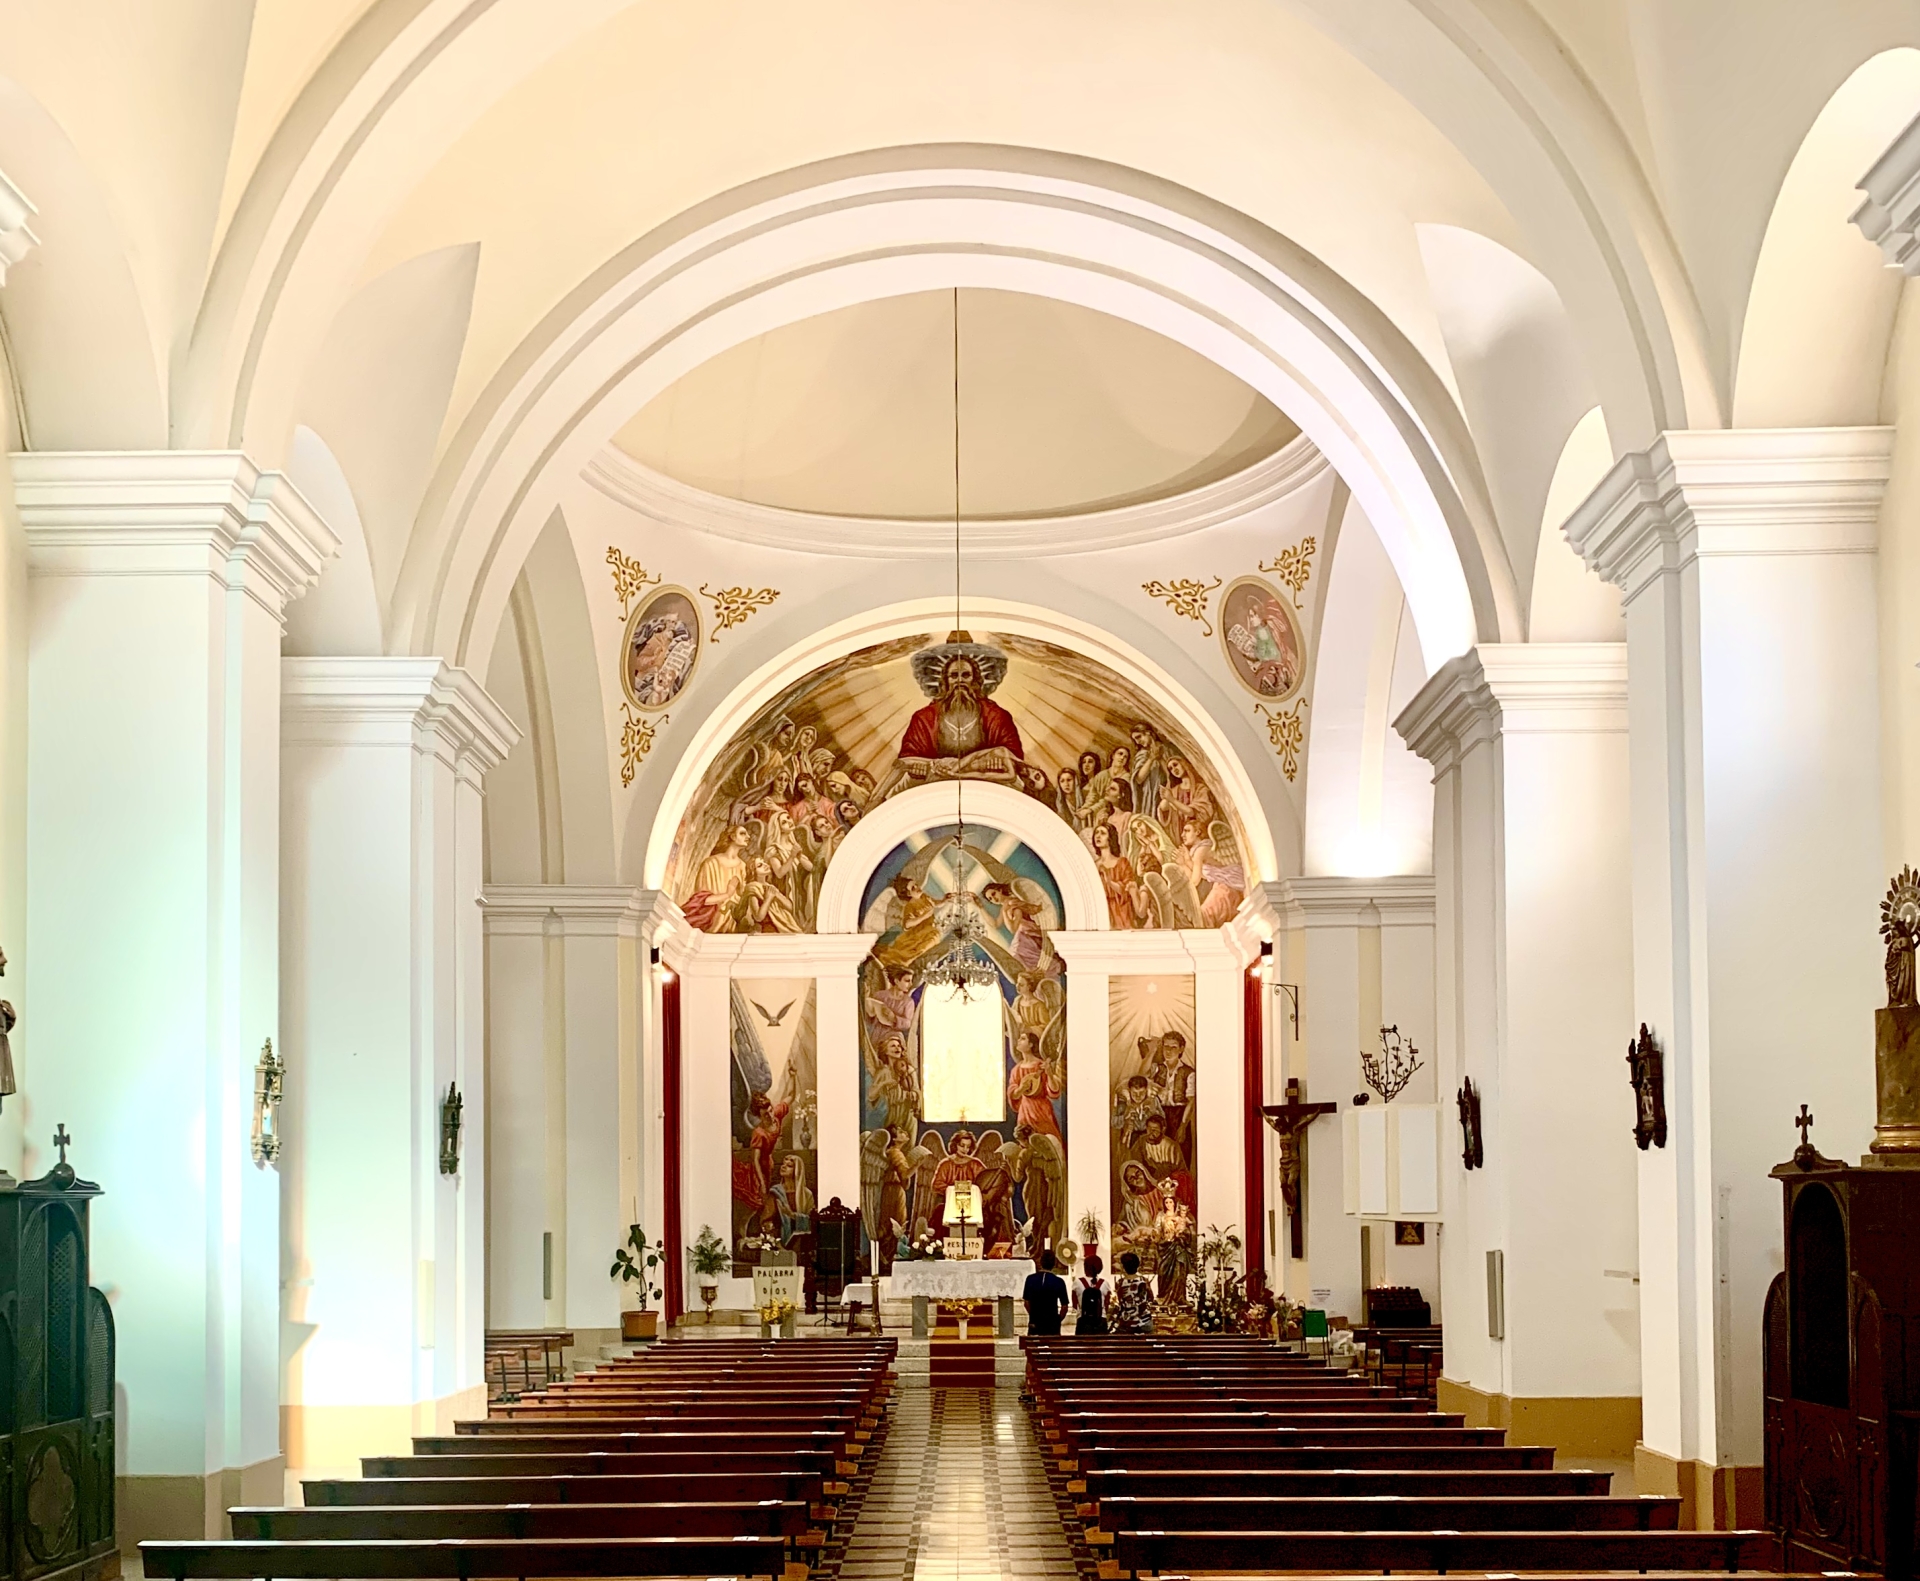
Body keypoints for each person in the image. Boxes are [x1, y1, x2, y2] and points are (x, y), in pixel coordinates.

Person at [1023, 1249, 1070, 1336]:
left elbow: (1026, 1303)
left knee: (1033, 1348)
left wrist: (1034, 1315)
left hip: (1035, 1321)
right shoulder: (1059, 1282)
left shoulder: (1030, 1279)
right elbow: (1065, 1306)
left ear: (1040, 1262)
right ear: (1054, 1263)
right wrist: (1057, 1320)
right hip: (1052, 1323)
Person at [1111, 1250, 1155, 1335]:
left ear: (1123, 1267)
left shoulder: (1120, 1283)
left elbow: (1121, 1301)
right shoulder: (1144, 1281)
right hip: (1144, 1320)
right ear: (1137, 1266)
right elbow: (1151, 1298)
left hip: (1127, 1321)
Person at [1074, 1252, 1109, 1335]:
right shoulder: (1105, 1283)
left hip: (1083, 1321)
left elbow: (1075, 1304)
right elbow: (1107, 1304)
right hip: (1101, 1321)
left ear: (1085, 1267)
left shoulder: (1077, 1282)